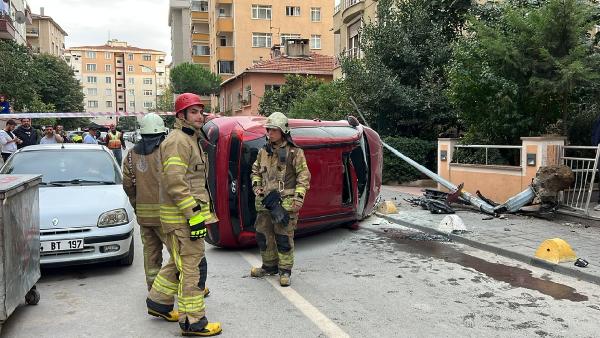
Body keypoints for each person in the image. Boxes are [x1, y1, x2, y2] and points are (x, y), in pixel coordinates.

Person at [146, 93, 221, 336]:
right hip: (183, 219)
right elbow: (176, 183)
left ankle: (158, 301)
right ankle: (193, 322)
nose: (200, 115)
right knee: (192, 268)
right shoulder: (179, 141)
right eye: (194, 111)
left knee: (178, 262)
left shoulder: (190, 139)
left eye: (201, 111)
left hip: (183, 217)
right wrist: (194, 215)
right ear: (181, 116)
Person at [250, 112, 311, 287]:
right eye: (268, 129)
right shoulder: (263, 151)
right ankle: (269, 267)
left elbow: (303, 177)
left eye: (273, 130)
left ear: (283, 130)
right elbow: (255, 171)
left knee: (283, 238)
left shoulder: (295, 152)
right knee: (263, 235)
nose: (269, 133)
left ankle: (285, 271)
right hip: (264, 202)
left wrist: (298, 199)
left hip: (285, 202)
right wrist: (257, 186)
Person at [122, 113, 170, 291]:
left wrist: (136, 205)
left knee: (151, 254)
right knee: (179, 254)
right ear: (162, 131)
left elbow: (127, 185)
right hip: (167, 217)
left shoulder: (130, 155)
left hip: (144, 216)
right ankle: (181, 288)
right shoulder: (166, 151)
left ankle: (154, 289)